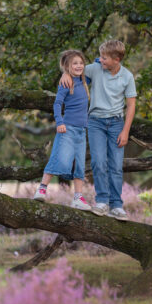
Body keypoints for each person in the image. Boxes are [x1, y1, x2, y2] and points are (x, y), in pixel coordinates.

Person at [60, 40, 136, 221]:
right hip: (95, 123)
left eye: (104, 58)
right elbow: (75, 69)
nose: (100, 60)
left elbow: (131, 106)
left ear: (116, 59)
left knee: (116, 166)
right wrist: (65, 74)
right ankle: (102, 202)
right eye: (100, 57)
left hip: (117, 124)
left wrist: (125, 131)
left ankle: (116, 206)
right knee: (99, 162)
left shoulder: (127, 76)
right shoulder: (95, 69)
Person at [33, 49, 92, 211]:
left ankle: (78, 198)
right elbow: (57, 104)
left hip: (81, 131)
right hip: (67, 129)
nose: (79, 66)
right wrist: (59, 122)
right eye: (75, 63)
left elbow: (99, 62)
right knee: (60, 158)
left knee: (80, 165)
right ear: (67, 66)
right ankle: (42, 189)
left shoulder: (84, 80)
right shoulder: (67, 83)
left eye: (81, 63)